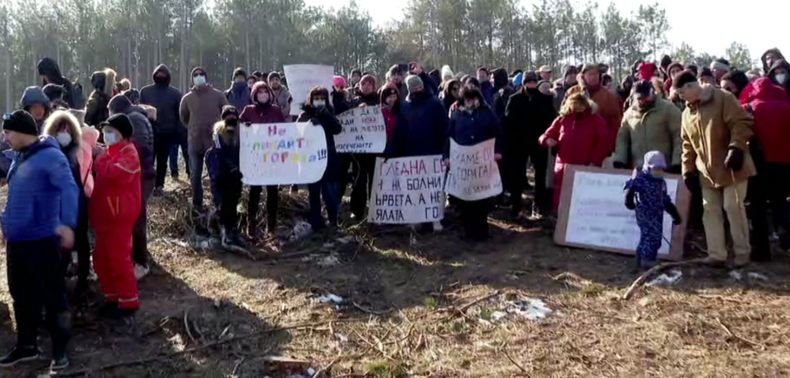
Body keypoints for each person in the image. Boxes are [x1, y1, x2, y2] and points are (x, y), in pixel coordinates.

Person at [0, 110, 78, 371]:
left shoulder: (51, 157)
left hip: (43, 239)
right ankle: (26, 345)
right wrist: (6, 224)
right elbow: (16, 195)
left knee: (53, 297)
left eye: (8, 132)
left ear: (23, 132)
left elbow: (69, 189)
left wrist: (67, 223)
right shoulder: (20, 156)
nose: (5, 137)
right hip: (18, 241)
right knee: (20, 294)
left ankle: (60, 352)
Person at [674, 70, 756, 268]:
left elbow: (742, 122)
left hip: (733, 167)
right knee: (710, 210)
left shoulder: (723, 98)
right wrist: (688, 171)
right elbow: (687, 145)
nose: (680, 97)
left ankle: (742, 254)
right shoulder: (686, 114)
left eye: (682, 92)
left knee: (733, 207)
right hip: (707, 173)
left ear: (691, 86)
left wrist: (736, 148)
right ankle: (716, 254)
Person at [91, 114, 142, 325]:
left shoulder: (129, 152)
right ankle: (112, 297)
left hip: (119, 215)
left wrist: (99, 159)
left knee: (119, 259)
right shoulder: (110, 152)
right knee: (102, 258)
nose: (107, 135)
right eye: (105, 131)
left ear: (123, 134)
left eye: (111, 131)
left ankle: (128, 302)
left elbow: (115, 172)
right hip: (104, 215)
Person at [41, 111, 93, 298]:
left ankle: (82, 280)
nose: (64, 133)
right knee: (59, 248)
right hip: (56, 208)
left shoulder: (76, 151)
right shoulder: (48, 153)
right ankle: (58, 284)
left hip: (78, 205)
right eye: (60, 129)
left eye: (68, 129)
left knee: (81, 242)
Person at [740, 78, 790, 261]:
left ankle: (762, 250)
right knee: (780, 202)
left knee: (758, 206)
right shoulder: (787, 107)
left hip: (759, 164)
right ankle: (786, 234)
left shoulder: (750, 108)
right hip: (785, 164)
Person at [446, 87, 503, 241]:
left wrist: (497, 151)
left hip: (482, 162)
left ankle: (482, 230)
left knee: (481, 197)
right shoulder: (456, 115)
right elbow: (449, 137)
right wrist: (447, 156)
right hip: (463, 163)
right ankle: (467, 230)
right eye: (468, 99)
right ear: (463, 101)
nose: (472, 102)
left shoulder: (487, 113)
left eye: (474, 98)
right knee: (465, 198)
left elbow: (497, 132)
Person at [108, 95, 155, 279]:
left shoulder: (134, 119)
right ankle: (137, 254)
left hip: (142, 175)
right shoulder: (136, 117)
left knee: (137, 217)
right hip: (140, 174)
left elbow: (139, 148)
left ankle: (141, 262)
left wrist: (119, 154)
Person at [539, 93, 609, 212]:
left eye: (580, 105)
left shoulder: (596, 120)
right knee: (561, 196)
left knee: (582, 196)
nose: (577, 108)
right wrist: (546, 140)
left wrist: (595, 162)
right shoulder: (563, 119)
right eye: (574, 105)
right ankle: (560, 218)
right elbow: (546, 135)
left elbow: (603, 143)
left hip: (585, 166)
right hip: (563, 166)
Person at [504, 71, 557, 217]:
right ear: (524, 83)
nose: (531, 85)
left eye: (534, 82)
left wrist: (547, 136)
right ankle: (516, 205)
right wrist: (510, 141)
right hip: (519, 142)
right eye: (528, 82)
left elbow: (552, 119)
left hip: (538, 142)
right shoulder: (514, 99)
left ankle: (539, 205)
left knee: (540, 174)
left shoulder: (545, 100)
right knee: (517, 174)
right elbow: (508, 121)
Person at [239, 81, 287, 238]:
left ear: (270, 94)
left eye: (265, 92)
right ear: (254, 95)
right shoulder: (248, 110)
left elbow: (284, 131)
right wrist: (244, 126)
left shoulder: (276, 110)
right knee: (255, 191)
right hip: (255, 159)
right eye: (259, 92)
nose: (263, 95)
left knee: (272, 192)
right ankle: (251, 225)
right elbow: (238, 127)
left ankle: (271, 227)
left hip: (272, 158)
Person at [179, 67, 229, 217]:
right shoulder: (187, 98)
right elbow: (183, 117)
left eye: (201, 74)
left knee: (216, 173)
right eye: (196, 75)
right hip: (194, 142)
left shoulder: (218, 95)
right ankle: (197, 203)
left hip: (213, 141)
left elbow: (227, 113)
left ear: (206, 77)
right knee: (195, 174)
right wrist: (193, 127)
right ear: (192, 78)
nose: (199, 76)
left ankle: (218, 203)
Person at [624, 151, 683, 270]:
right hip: (645, 214)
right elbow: (631, 189)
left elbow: (664, 200)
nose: (658, 172)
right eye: (655, 169)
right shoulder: (641, 180)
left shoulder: (661, 183)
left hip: (657, 214)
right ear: (648, 168)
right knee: (652, 237)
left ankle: (639, 259)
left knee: (647, 237)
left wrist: (674, 214)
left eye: (661, 169)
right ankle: (647, 260)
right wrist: (629, 202)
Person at [296, 87, 343, 231]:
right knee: (314, 192)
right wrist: (309, 125)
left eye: (322, 98)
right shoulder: (304, 115)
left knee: (329, 192)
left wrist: (327, 116)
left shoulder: (329, 113)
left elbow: (337, 129)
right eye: (316, 98)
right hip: (311, 159)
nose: (319, 101)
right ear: (311, 100)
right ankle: (316, 222)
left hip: (328, 158)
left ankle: (333, 221)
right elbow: (296, 133)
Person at [614, 80, 682, 171]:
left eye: (646, 97)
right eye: (640, 98)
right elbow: (622, 139)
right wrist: (620, 160)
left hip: (663, 168)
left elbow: (679, 136)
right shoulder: (629, 114)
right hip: (638, 168)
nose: (644, 100)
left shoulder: (669, 110)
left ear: (653, 93)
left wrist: (677, 163)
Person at [340, 75, 380, 220]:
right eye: (364, 84)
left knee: (375, 182)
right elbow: (346, 119)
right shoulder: (354, 102)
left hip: (375, 149)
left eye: (370, 84)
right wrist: (357, 110)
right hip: (359, 151)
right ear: (360, 86)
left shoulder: (379, 101)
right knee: (359, 181)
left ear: (374, 86)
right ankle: (357, 211)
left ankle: (375, 210)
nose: (367, 86)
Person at [141, 64, 185, 193]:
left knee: (162, 161)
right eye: (158, 74)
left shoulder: (175, 94)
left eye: (163, 74)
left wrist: (178, 133)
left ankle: (159, 185)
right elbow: (140, 110)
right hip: (149, 132)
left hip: (167, 133)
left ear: (168, 77)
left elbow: (179, 115)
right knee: (148, 160)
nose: (161, 76)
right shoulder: (145, 91)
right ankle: (147, 185)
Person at [207, 106, 245, 249]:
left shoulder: (241, 131)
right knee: (223, 203)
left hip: (236, 174)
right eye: (228, 116)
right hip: (221, 173)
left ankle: (233, 230)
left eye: (234, 116)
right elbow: (219, 151)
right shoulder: (218, 132)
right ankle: (224, 232)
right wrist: (231, 166)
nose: (231, 118)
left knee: (234, 202)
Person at [564, 63, 622, 153]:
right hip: (575, 142)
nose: (594, 77)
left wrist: (610, 143)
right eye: (590, 74)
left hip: (600, 143)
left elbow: (616, 121)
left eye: (596, 74)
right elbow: (563, 115)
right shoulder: (572, 92)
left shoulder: (608, 96)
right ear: (583, 76)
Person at [380, 86, 402, 153]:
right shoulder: (379, 112)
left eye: (394, 96)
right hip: (383, 147)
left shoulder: (400, 111)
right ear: (384, 98)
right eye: (390, 97)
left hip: (397, 147)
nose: (392, 99)